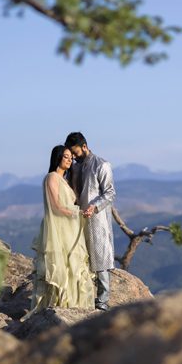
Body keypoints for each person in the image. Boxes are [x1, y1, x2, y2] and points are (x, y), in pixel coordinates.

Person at [31, 145, 94, 310]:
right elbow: (55, 206)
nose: (70, 160)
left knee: (73, 266)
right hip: (58, 231)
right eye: (66, 156)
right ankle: (57, 305)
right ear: (57, 157)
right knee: (60, 267)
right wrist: (77, 213)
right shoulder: (52, 177)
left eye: (71, 157)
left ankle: (73, 304)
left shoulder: (64, 180)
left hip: (69, 229)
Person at [64, 132, 116, 311]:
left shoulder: (101, 165)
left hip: (97, 219)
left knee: (100, 258)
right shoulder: (75, 167)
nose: (74, 156)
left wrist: (94, 207)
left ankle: (102, 301)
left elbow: (110, 193)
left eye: (75, 152)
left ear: (84, 146)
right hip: (76, 218)